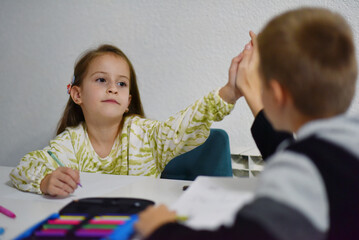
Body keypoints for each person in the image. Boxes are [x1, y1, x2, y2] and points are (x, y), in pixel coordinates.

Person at [135, 7, 359, 240]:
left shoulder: (304, 170)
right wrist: (250, 91)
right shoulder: (340, 147)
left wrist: (162, 228)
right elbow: (292, 156)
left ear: (276, 93)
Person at [10, 44, 244, 197]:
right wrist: (45, 181)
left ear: (128, 102)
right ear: (77, 94)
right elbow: (23, 168)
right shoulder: (69, 144)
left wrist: (228, 93)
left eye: (121, 83)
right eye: (101, 80)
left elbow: (184, 125)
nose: (113, 88)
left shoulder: (146, 136)